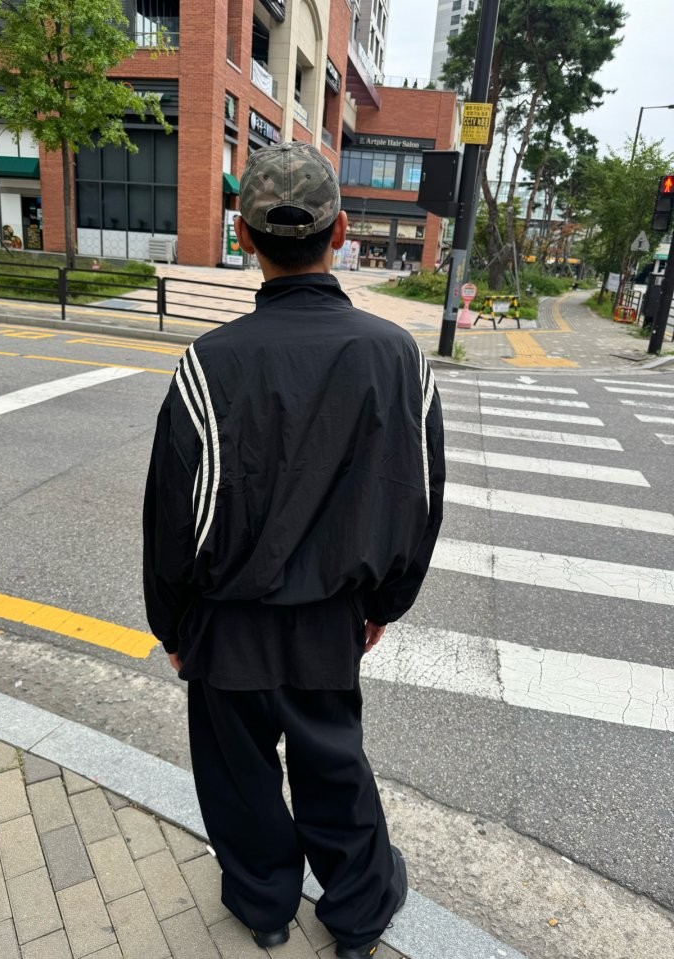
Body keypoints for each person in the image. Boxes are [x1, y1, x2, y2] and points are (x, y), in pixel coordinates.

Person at [143, 142, 445, 958]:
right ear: (340, 231)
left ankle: (264, 904)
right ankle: (357, 912)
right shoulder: (397, 357)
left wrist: (172, 624)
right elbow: (418, 499)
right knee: (334, 765)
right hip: (330, 618)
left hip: (226, 622)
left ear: (245, 236)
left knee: (237, 775)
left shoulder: (208, 364)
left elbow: (173, 516)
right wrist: (384, 603)